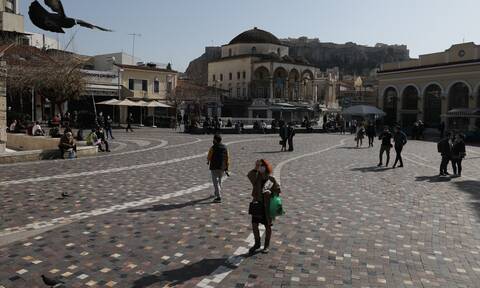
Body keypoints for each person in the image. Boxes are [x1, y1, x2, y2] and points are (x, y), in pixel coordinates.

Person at [247, 159, 281, 254]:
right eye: (259, 166)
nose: (261, 167)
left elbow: (278, 190)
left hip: (267, 206)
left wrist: (271, 192)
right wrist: (255, 167)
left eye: (262, 166)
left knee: (268, 226)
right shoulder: (256, 177)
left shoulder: (271, 179)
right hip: (257, 204)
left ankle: (266, 245)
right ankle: (257, 243)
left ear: (266, 167)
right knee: (254, 224)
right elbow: (250, 175)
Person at [207, 134, 230, 203]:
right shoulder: (225, 147)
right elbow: (227, 158)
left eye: (213, 139)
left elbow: (209, 156)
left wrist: (208, 160)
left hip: (214, 166)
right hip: (222, 167)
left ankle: (218, 196)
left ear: (215, 140)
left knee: (215, 182)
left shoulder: (213, 147)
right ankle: (216, 192)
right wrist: (227, 167)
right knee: (219, 180)